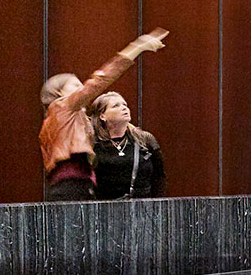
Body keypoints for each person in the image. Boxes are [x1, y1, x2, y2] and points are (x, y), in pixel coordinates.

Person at [39, 30, 167, 201]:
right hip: (73, 188)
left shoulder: (56, 119)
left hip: (68, 187)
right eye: (76, 85)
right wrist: (137, 47)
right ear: (59, 92)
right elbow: (100, 80)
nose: (81, 89)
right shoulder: (63, 106)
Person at [89, 93, 165, 200]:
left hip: (142, 208)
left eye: (125, 104)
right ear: (102, 116)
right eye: (116, 106)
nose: (124, 108)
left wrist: (157, 206)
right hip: (104, 209)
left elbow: (159, 177)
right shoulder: (93, 143)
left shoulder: (145, 139)